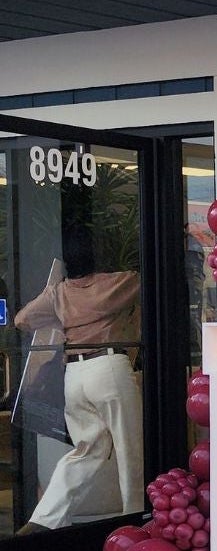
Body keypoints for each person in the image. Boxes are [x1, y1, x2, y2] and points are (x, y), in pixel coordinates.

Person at [14, 227, 143, 532]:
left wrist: (61, 321)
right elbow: (149, 280)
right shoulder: (118, 283)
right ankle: (134, 519)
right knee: (129, 448)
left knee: (87, 449)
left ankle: (43, 519)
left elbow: (22, 320)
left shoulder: (58, 293)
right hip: (109, 367)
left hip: (73, 374)